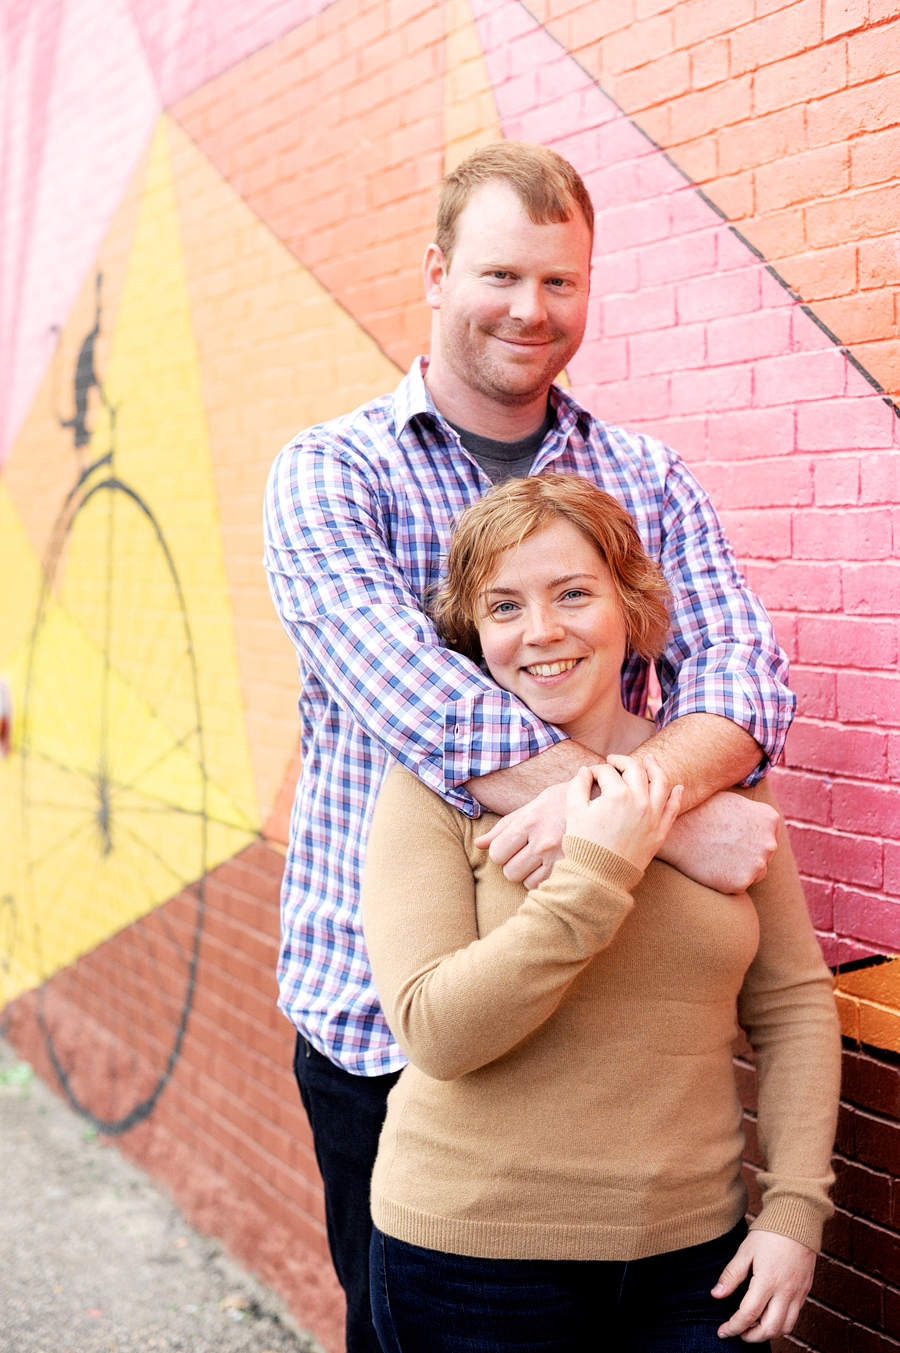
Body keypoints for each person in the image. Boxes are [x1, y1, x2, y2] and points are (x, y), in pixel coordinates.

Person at [264, 142, 795, 1352]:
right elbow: (417, 700)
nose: (530, 309)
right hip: (385, 1018)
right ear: (439, 273)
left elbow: (743, 680)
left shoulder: (648, 477)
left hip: (610, 1036)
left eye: (562, 282)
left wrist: (645, 797)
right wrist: (677, 814)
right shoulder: (333, 473)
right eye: (502, 274)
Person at [363, 474, 841, 1352]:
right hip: (472, 1266)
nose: (540, 631)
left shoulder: (723, 782)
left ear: (631, 605)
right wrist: (601, 862)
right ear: (476, 634)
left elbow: (795, 1004)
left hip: (697, 1266)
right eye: (503, 606)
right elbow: (435, 1030)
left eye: (573, 593)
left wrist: (795, 1211)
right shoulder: (432, 787)